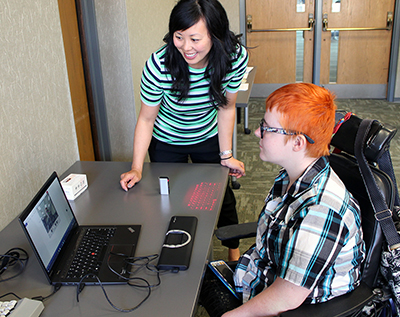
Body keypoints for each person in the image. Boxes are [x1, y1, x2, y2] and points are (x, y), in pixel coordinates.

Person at [203, 83, 365, 316]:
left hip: (290, 304)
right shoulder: (290, 175)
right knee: (196, 276)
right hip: (261, 275)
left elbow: (287, 296)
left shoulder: (321, 210)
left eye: (267, 128)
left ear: (298, 143)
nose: (258, 133)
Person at [120, 0, 249, 261]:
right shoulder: (160, 65)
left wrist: (226, 154)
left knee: (222, 196)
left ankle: (234, 256)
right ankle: (177, 258)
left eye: (195, 39)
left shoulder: (234, 58)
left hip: (207, 135)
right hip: (167, 139)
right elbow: (146, 120)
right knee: (170, 199)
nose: (186, 47)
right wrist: (136, 166)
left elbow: (226, 107)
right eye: (179, 37)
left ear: (216, 34)